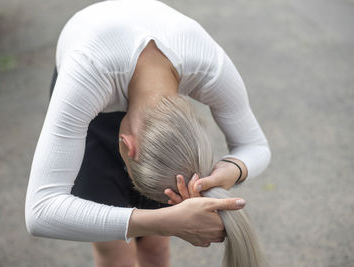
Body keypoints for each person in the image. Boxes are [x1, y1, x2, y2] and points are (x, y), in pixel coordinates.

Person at [25, 1, 271, 266]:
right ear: (127, 146)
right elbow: (40, 212)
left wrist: (232, 169)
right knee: (114, 254)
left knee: (155, 249)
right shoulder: (84, 77)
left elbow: (255, 145)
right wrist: (165, 221)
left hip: (131, 79)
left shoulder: (209, 67)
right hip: (91, 100)